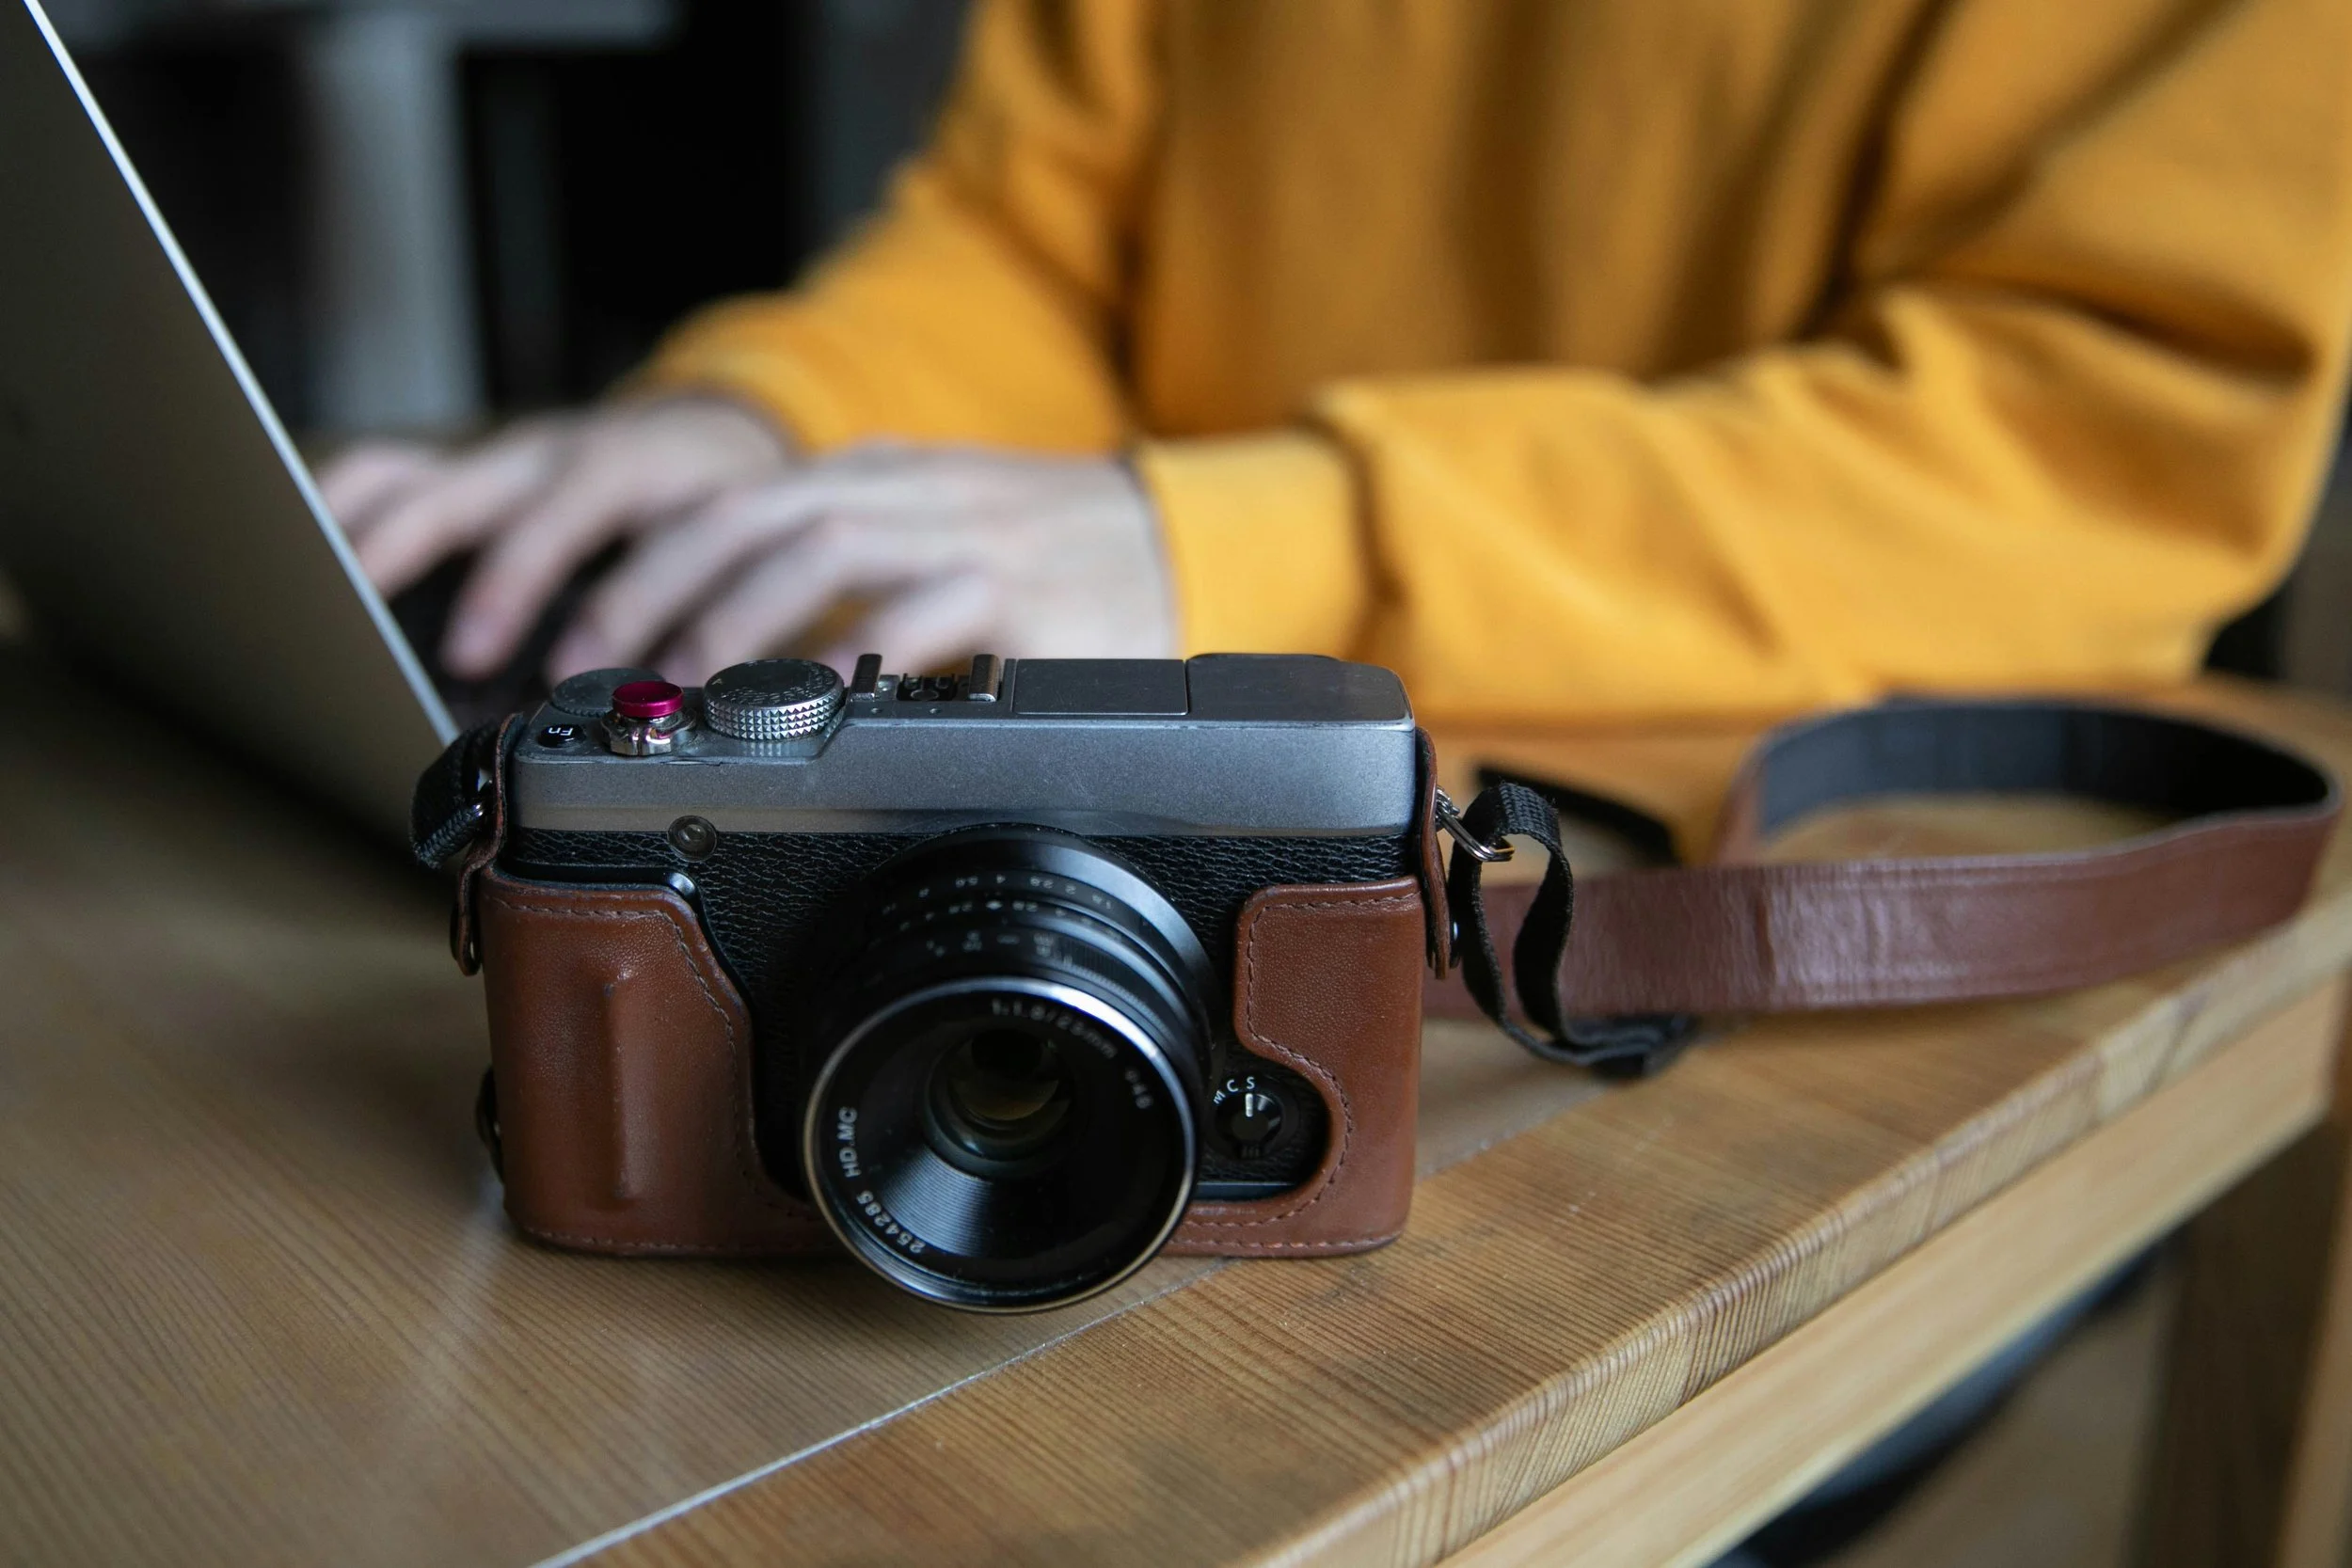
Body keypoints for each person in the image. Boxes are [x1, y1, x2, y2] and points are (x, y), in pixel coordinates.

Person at [323, 0, 2352, 721]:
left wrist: (1245, 552)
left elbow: (2090, 458)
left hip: (1746, 887)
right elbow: (1042, 240)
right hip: (1140, 733)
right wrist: (759, 428)